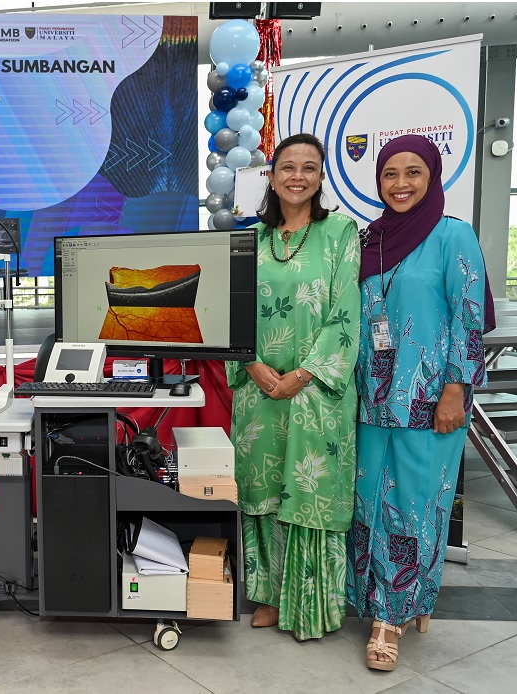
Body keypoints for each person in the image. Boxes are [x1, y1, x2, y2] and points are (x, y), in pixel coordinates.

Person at [346, 134, 494, 671]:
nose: (401, 183)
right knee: (367, 504)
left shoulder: (453, 235)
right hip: (370, 400)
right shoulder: (370, 238)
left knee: (414, 508)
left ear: (433, 177)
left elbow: (469, 317)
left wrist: (456, 388)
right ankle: (369, 598)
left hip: (429, 400)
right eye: (390, 173)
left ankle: (393, 615)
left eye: (413, 173)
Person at [225, 133, 361, 641]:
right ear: (272, 175)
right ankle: (268, 594)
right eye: (287, 167)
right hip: (258, 389)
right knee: (262, 490)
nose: (297, 176)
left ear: (321, 177)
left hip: (317, 391)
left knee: (310, 489)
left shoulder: (341, 233)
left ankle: (311, 601)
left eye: (308, 167)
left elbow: (347, 310)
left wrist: (303, 374)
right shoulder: (251, 240)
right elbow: (232, 312)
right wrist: (252, 365)